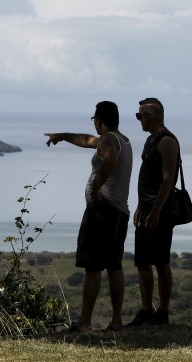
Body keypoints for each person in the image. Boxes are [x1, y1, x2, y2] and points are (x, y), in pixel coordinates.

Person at [44, 101, 133, 332]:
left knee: (93, 266)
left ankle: (84, 322)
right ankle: (116, 321)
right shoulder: (122, 139)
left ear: (99, 120)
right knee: (114, 265)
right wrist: (63, 136)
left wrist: (96, 187)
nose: (94, 124)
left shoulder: (108, 141)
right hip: (120, 212)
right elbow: (87, 141)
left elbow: (109, 158)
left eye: (94, 119)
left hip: (102, 211)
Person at [128, 97, 180, 326]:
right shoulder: (151, 141)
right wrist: (140, 206)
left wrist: (156, 211)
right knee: (142, 261)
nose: (140, 119)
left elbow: (168, 180)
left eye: (142, 115)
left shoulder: (167, 141)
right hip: (147, 208)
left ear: (155, 115)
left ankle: (163, 312)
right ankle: (146, 310)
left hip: (160, 211)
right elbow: (148, 179)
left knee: (160, 261)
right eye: (138, 115)